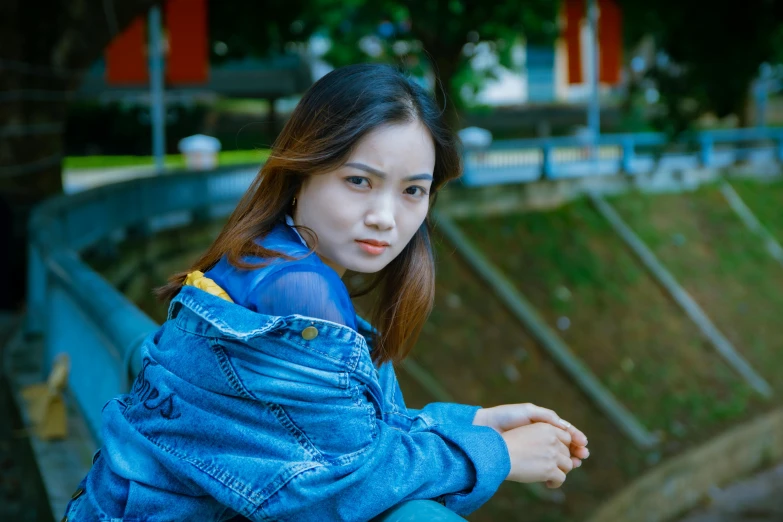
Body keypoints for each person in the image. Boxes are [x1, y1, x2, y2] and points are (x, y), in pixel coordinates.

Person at [62, 64, 588, 522]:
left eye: (413, 191)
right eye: (359, 181)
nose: (385, 217)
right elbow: (343, 482)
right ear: (302, 171)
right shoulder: (299, 289)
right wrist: (497, 453)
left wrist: (472, 420)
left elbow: (327, 431)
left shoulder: (262, 256)